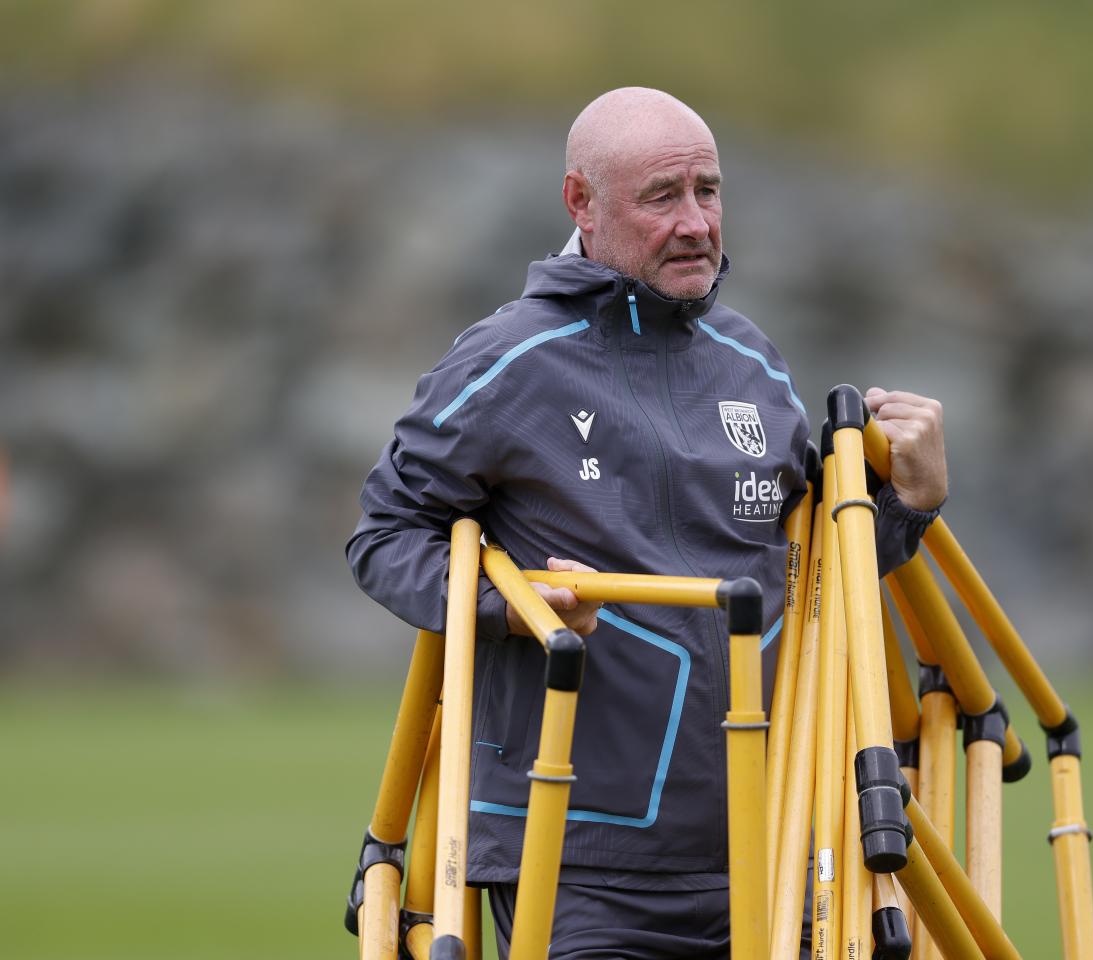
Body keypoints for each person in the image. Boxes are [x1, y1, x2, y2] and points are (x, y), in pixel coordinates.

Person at [347, 87, 947, 959]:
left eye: (709, 190)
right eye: (662, 196)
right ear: (581, 204)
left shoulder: (752, 363)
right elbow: (384, 537)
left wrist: (909, 504)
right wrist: (510, 604)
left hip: (774, 844)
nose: (696, 223)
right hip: (578, 862)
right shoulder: (507, 361)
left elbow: (813, 579)